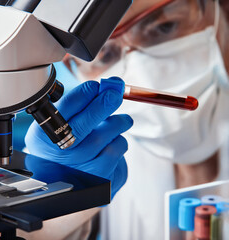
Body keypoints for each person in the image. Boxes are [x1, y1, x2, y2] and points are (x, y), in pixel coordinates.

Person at [22, 0, 229, 239]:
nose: (144, 73)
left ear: (222, 9)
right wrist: (52, 214)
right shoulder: (78, 155)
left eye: (165, 25)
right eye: (104, 54)